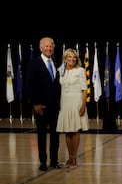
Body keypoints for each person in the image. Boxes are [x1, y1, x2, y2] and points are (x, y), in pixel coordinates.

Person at [26, 37, 63, 171]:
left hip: (55, 107)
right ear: (41, 48)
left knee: (55, 135)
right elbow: (29, 86)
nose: (49, 48)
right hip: (41, 106)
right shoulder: (33, 63)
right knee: (41, 135)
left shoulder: (56, 62)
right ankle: (43, 162)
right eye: (46, 46)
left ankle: (54, 160)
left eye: (51, 46)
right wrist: (35, 104)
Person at [56, 48, 89, 171]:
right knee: (67, 131)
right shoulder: (61, 71)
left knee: (75, 130)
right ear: (65, 59)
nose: (72, 59)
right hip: (65, 103)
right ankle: (69, 157)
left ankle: (74, 158)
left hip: (76, 103)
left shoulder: (80, 70)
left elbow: (84, 89)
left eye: (74, 57)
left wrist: (83, 105)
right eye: (69, 57)